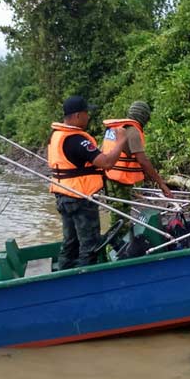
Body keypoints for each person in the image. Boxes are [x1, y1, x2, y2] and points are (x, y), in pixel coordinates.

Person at [47, 95, 128, 270]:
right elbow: (106, 162)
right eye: (86, 113)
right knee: (89, 245)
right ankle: (86, 280)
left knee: (71, 242)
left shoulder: (57, 135)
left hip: (63, 196)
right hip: (79, 198)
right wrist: (121, 141)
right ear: (77, 116)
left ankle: (63, 272)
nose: (88, 116)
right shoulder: (76, 139)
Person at [101, 101, 174, 244]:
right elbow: (143, 161)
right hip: (119, 180)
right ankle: (116, 249)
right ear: (144, 117)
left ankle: (117, 245)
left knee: (117, 215)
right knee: (121, 219)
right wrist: (161, 184)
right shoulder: (132, 131)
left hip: (109, 177)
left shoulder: (116, 127)